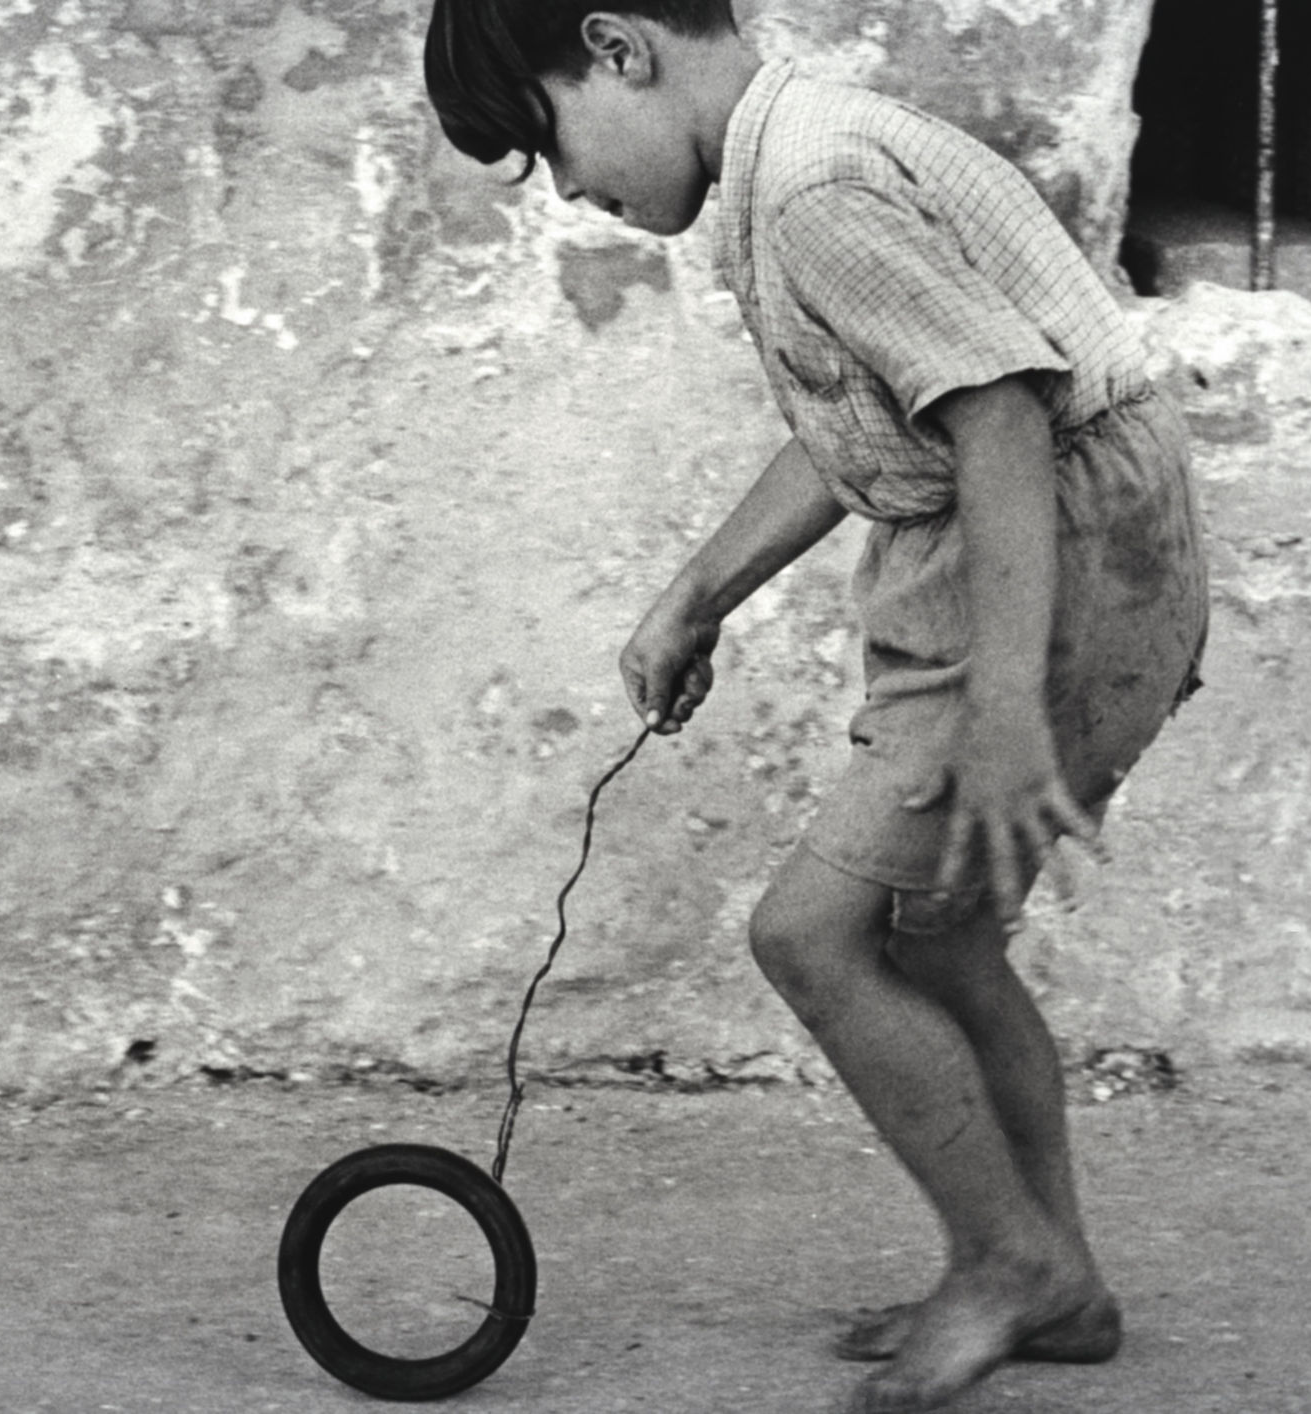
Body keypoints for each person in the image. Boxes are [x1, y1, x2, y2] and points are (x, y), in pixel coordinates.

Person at [424, 4, 1209, 1410]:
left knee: (812, 930)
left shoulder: (817, 188)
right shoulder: (790, 166)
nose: (568, 191)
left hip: (1055, 546)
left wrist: (1006, 704)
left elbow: (1004, 416)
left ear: (619, 50)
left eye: (550, 142)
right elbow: (873, 413)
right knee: (948, 934)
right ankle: (1056, 1277)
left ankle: (1004, 1259)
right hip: (1029, 536)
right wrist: (695, 593)